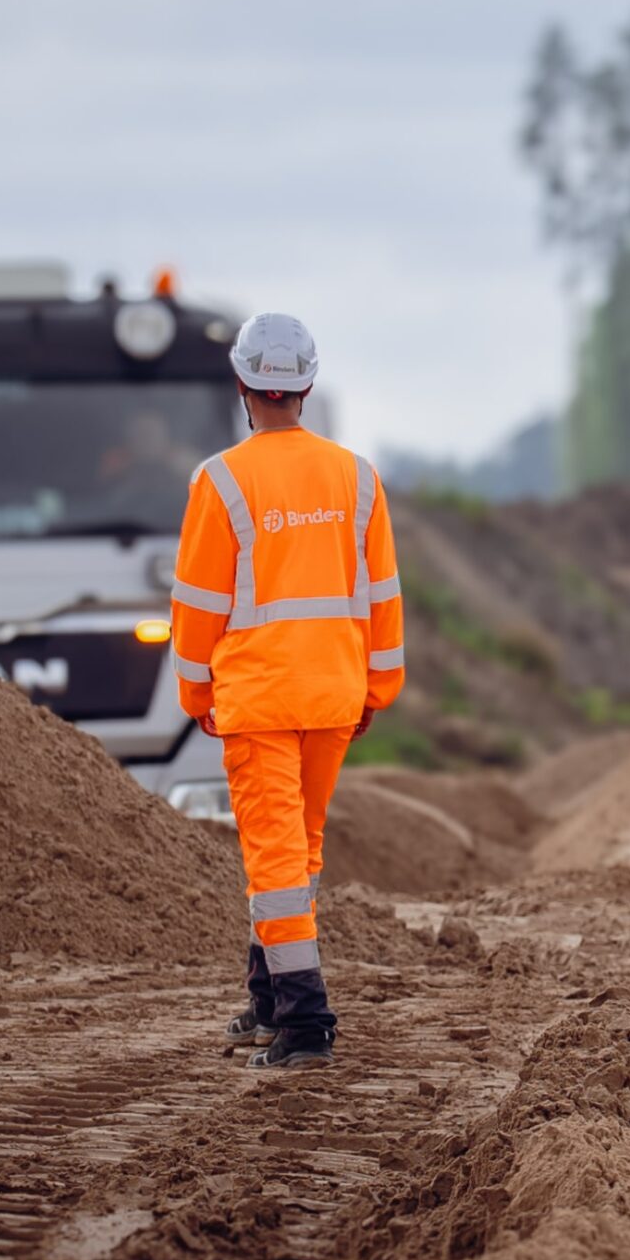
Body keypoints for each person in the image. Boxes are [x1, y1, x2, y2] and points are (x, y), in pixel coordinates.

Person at [168, 312, 405, 1069]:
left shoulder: (221, 479)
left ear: (243, 386)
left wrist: (197, 694)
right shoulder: (357, 476)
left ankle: (305, 1020)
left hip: (261, 697)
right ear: (305, 385)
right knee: (294, 848)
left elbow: (198, 606)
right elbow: (383, 596)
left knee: (273, 856)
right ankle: (270, 1002)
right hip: (334, 690)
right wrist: (377, 686)